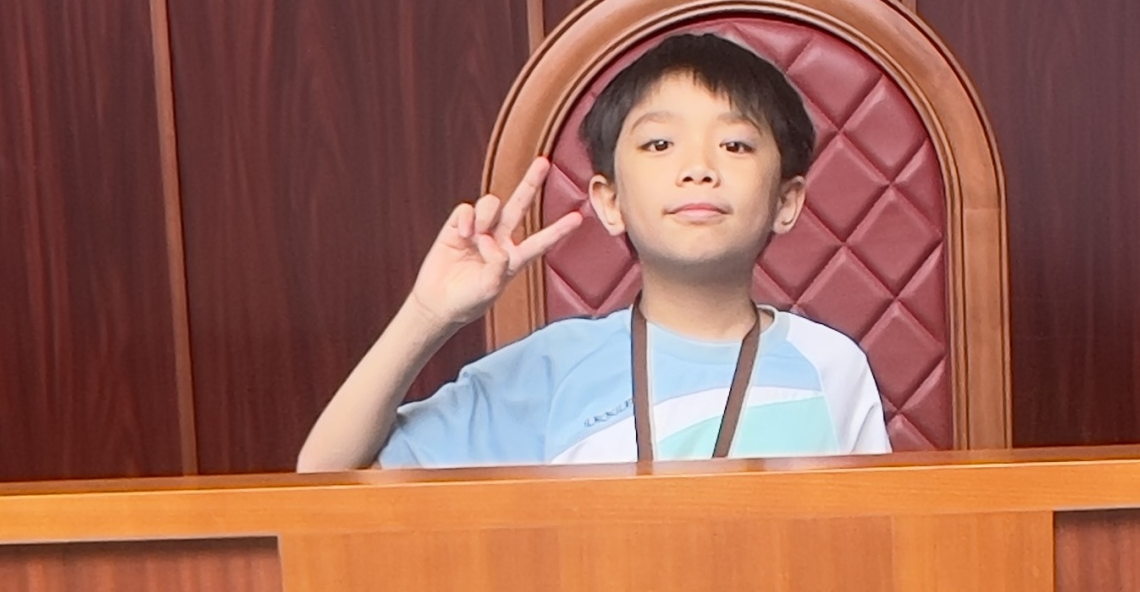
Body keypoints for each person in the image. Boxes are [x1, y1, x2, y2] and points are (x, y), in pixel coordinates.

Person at [297, 30, 890, 469]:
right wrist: (429, 314)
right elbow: (327, 475)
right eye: (659, 144)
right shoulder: (551, 371)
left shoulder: (831, 366)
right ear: (609, 201)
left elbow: (878, 550)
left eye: (735, 145)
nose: (698, 168)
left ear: (787, 200)